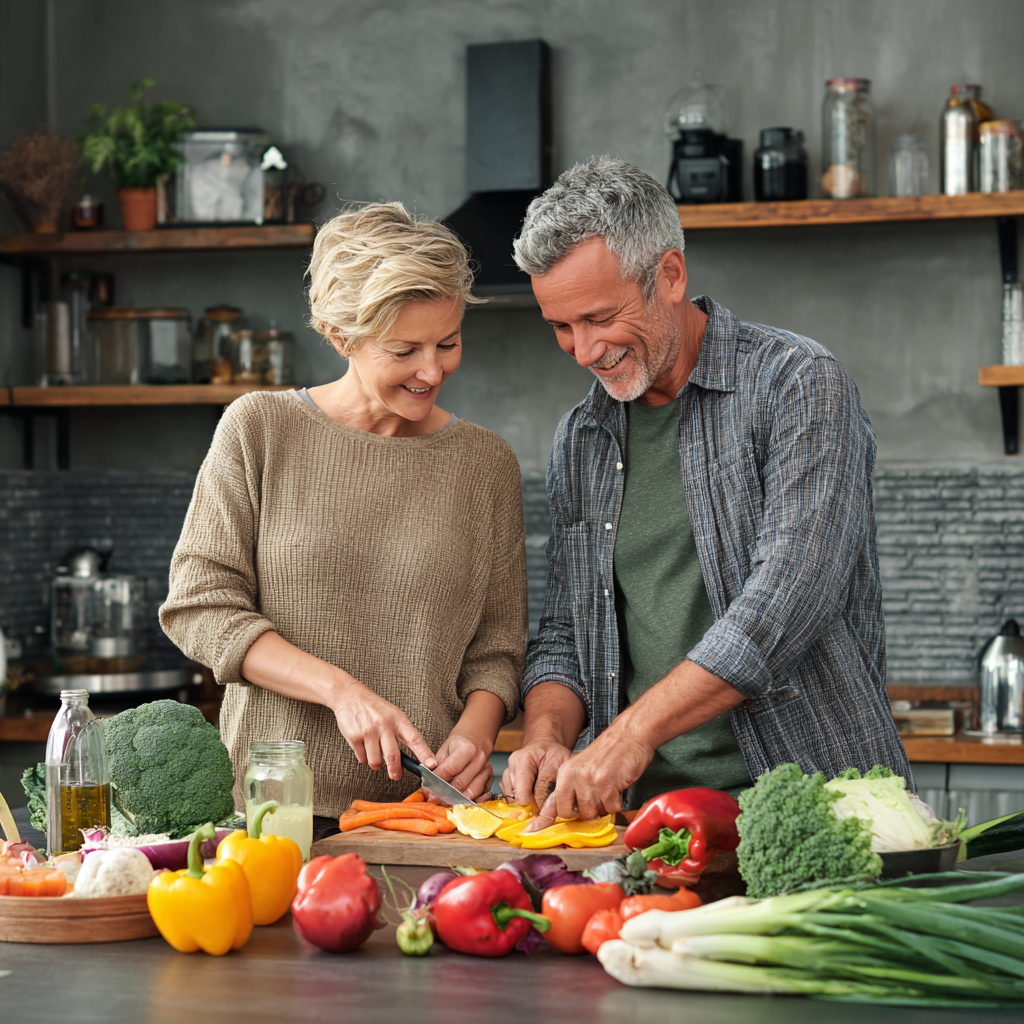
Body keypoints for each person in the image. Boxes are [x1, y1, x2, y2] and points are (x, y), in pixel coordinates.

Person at [503, 157, 910, 828]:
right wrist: (546, 735)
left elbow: (787, 602)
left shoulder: (797, 384)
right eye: (561, 326)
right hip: (643, 826)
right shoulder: (583, 436)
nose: (582, 350)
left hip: (812, 809)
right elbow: (568, 635)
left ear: (669, 275)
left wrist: (630, 734)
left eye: (600, 317)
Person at [161, 203, 527, 816]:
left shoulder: (485, 463)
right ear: (340, 336)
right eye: (404, 349)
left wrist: (477, 732)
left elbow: (499, 647)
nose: (432, 369)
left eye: (449, 341)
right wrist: (341, 692)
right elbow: (200, 607)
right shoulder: (259, 430)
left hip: (427, 817)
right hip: (276, 812)